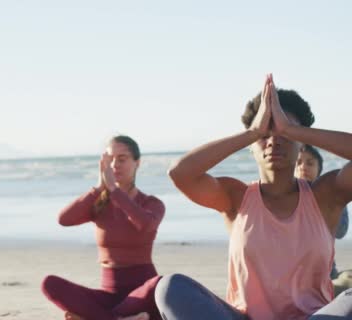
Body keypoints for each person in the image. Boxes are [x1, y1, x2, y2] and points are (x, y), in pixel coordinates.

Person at [159, 74, 352, 319]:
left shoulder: (325, 196)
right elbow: (180, 172)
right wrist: (252, 132)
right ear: (252, 145)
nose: (274, 141)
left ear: (302, 143)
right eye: (265, 135)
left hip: (314, 317)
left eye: (284, 134)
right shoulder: (235, 198)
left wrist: (293, 129)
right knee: (170, 287)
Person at [41, 135, 165, 320]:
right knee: (49, 284)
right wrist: (99, 188)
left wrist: (114, 190)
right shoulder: (100, 204)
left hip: (141, 295)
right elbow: (64, 219)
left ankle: (97, 318)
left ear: (137, 163)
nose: (115, 164)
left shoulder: (151, 203)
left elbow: (145, 224)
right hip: (108, 296)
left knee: (161, 284)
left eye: (122, 159)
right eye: (110, 159)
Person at [296, 144, 349, 279]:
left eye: (310, 163)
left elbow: (341, 232)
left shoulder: (332, 194)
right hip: (292, 270)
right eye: (298, 162)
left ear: (319, 169)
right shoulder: (284, 197)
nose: (303, 167)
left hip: (326, 271)